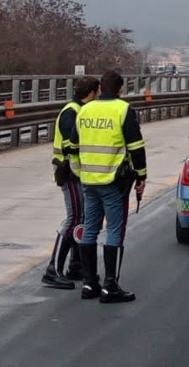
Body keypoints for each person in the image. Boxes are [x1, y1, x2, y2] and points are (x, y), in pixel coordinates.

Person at [75, 69, 145, 304]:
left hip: (88, 180)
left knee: (90, 229)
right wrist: (141, 175)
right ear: (119, 88)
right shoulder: (123, 109)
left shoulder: (84, 110)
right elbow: (136, 146)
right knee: (115, 230)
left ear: (100, 88)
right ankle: (110, 286)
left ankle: (89, 283)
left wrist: (79, 171)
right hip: (113, 181)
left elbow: (73, 144)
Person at [42, 76, 99, 290]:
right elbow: (70, 145)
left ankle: (76, 265)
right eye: (97, 93)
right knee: (74, 218)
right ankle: (52, 270)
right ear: (92, 93)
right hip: (69, 172)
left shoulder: (78, 111)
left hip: (78, 173)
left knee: (81, 218)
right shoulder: (71, 112)